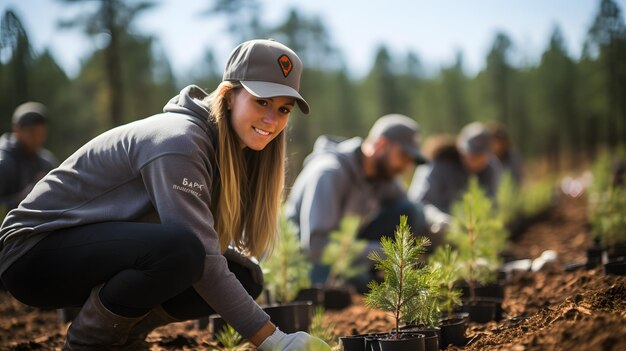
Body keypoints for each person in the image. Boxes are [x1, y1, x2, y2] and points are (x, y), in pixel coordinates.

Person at [0, 39, 329, 351]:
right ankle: (89, 342)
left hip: (89, 254)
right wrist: (276, 340)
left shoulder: (231, 148)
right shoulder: (180, 142)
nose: (273, 120)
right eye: (262, 101)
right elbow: (198, 252)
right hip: (32, 253)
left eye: (284, 109)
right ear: (229, 96)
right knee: (181, 250)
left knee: (245, 276)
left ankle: (124, 336)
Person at [286, 114, 430, 285]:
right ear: (382, 144)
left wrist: (451, 229)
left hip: (347, 254)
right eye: (403, 156)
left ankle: (369, 283)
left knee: (412, 211)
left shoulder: (384, 176)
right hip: (305, 263)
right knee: (351, 286)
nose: (406, 166)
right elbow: (316, 246)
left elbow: (415, 208)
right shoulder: (329, 173)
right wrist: (387, 254)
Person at [409, 121, 502, 216]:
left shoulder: (491, 169)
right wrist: (440, 220)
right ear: (460, 149)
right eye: (470, 155)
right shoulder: (438, 163)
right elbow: (418, 203)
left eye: (479, 157)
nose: (474, 161)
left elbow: (491, 205)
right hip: (435, 225)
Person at [0, 102, 58, 211]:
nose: (38, 139)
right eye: (32, 133)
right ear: (16, 130)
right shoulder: (4, 164)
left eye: (41, 133)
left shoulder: (46, 162)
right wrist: (24, 198)